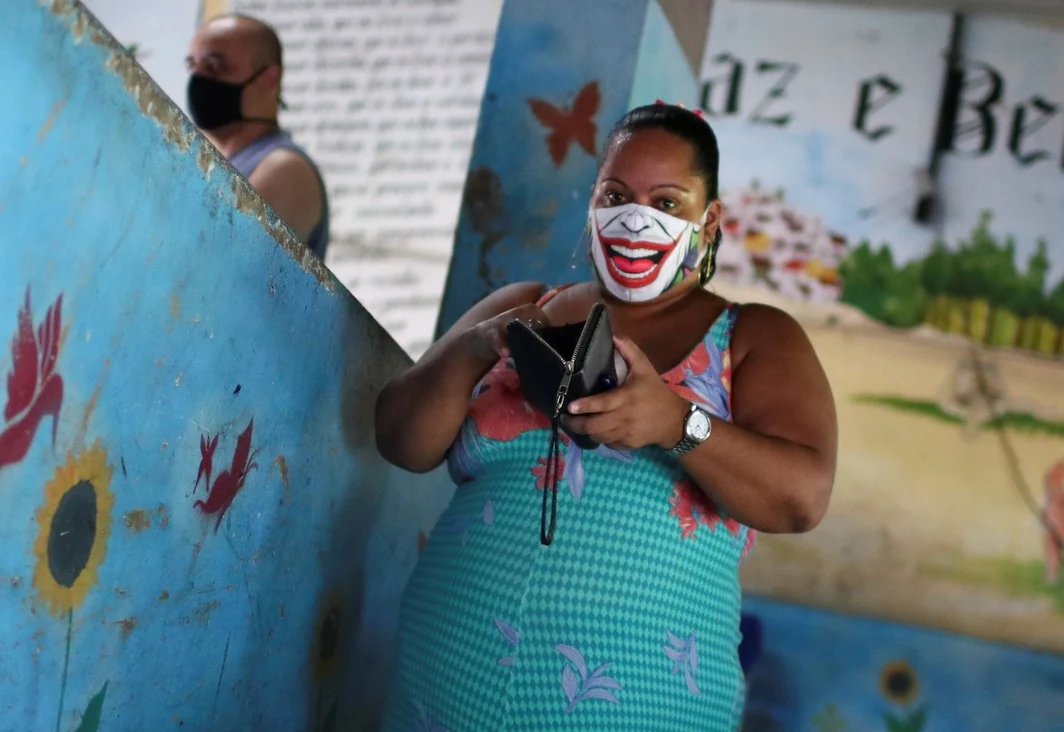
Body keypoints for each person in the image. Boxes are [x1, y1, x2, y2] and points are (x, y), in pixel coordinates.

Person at [375, 103, 837, 730]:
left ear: (710, 219)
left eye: (667, 202)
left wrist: (677, 422)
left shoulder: (752, 336)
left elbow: (802, 497)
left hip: (642, 706)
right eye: (616, 194)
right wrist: (477, 346)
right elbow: (399, 440)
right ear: (592, 200)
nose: (636, 216)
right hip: (443, 680)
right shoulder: (524, 305)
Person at [185, 14, 329, 261]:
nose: (198, 80)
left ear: (269, 79)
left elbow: (214, 266)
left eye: (215, 67)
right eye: (193, 66)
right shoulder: (215, 162)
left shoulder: (285, 169)